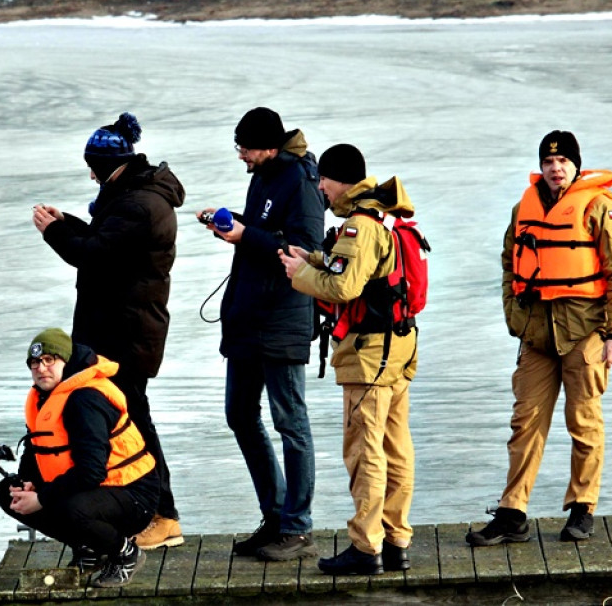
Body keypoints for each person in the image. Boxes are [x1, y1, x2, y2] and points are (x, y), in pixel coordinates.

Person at [466, 130, 612, 547]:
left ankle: (582, 508)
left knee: (584, 422)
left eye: (562, 162)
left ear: (576, 165)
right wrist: (513, 312)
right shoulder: (522, 208)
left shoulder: (599, 207)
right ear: (541, 166)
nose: (555, 168)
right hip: (537, 336)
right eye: (548, 162)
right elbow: (509, 262)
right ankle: (512, 514)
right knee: (524, 423)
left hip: (585, 334)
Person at [32, 112, 186, 550]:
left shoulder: (138, 204)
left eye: (92, 166)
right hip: (123, 330)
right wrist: (67, 222)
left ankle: (163, 515)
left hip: (125, 336)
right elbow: (108, 244)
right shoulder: (131, 195)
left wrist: (54, 232)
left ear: (107, 164)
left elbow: (94, 254)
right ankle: (133, 510)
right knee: (127, 420)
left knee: (135, 422)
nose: (90, 174)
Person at [279, 144, 417, 576]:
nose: (320, 187)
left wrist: (300, 275)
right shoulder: (382, 215)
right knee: (396, 447)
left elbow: (343, 288)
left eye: (324, 179)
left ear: (341, 181)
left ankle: (365, 546)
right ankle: (395, 541)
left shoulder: (359, 225)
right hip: (398, 349)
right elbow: (359, 271)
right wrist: (313, 258)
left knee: (365, 451)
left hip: (370, 356)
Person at [198, 107, 325, 562]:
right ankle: (275, 515)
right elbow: (262, 234)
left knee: (291, 422)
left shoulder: (301, 181)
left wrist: (244, 236)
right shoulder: (265, 175)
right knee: (239, 413)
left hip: (283, 319)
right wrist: (231, 227)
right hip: (248, 318)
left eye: (245, 148)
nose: (241, 156)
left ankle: (298, 528)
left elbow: (306, 250)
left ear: (269, 146)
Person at [0, 328, 159, 587]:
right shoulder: (43, 396)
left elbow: (91, 471)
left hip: (133, 493)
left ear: (66, 361)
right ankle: (89, 547)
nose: (41, 369)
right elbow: (35, 448)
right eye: (35, 363)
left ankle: (126, 553)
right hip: (92, 488)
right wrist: (27, 482)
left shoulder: (85, 400)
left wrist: (42, 498)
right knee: (9, 492)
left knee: (70, 508)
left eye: (49, 360)